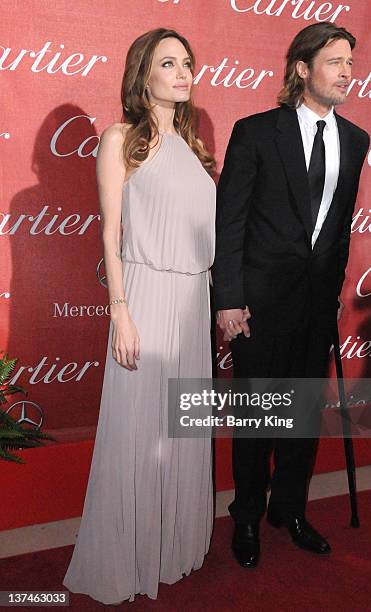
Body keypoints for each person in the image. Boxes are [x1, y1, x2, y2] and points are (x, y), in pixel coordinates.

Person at [63, 28, 216, 603]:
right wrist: (120, 312)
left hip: (193, 300)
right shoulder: (120, 138)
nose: (183, 73)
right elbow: (110, 232)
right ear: (142, 75)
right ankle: (127, 553)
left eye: (188, 63)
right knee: (140, 430)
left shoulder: (197, 150)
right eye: (168, 63)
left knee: (181, 430)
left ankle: (173, 545)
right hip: (146, 297)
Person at [212, 22, 370, 568]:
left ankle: (291, 510)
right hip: (257, 305)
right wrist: (227, 298)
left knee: (302, 414)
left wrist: (331, 296)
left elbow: (339, 227)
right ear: (302, 69)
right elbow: (229, 221)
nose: (346, 71)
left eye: (350, 61)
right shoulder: (256, 132)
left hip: (314, 307)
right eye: (334, 61)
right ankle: (249, 515)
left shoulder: (356, 140)